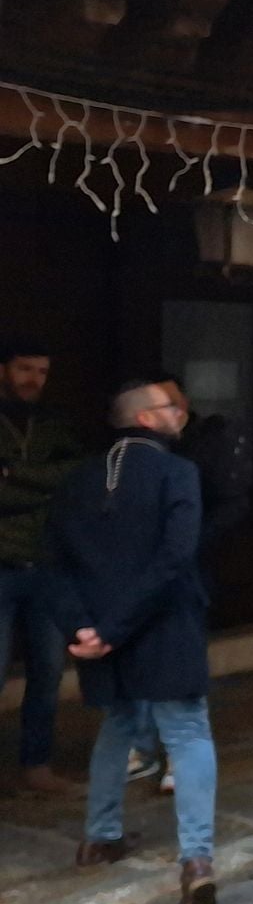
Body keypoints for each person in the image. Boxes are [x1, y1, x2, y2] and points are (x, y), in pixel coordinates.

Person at [45, 381, 218, 904]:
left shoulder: (76, 480)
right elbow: (175, 558)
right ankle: (196, 862)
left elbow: (52, 564)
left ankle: (99, 837)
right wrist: (117, 626)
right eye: (171, 408)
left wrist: (84, 629)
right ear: (145, 419)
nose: (181, 414)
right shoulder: (177, 473)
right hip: (163, 625)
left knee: (117, 726)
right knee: (187, 732)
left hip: (100, 634)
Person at [128, 371, 253, 794]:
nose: (173, 412)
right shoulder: (131, 451)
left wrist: (192, 543)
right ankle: (143, 749)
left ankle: (177, 758)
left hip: (187, 568)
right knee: (139, 656)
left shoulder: (203, 442)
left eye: (174, 402)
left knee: (181, 665)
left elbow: (231, 502)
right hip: (140, 568)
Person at [0, 339, 86, 795]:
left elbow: (77, 474)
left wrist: (14, 475)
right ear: (4, 369)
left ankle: (37, 766)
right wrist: (43, 488)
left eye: (42, 371)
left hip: (46, 566)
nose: (33, 379)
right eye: (24, 369)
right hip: (3, 565)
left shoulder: (54, 423)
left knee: (48, 671)